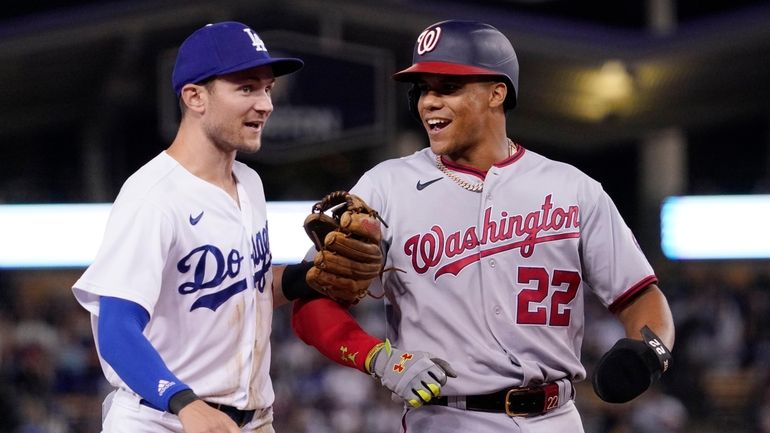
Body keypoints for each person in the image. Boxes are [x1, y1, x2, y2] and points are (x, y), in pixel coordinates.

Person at [291, 19, 675, 432]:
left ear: (497, 92)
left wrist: (649, 352)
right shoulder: (386, 186)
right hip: (446, 418)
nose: (428, 102)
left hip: (558, 418)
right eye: (422, 89)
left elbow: (640, 296)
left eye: (448, 87)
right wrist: (379, 357)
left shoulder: (573, 189)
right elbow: (311, 301)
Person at [71, 21, 324, 433]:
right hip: (162, 418)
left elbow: (244, 290)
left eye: (267, 89)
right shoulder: (153, 196)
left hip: (251, 419)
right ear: (195, 97)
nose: (265, 104)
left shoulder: (250, 183)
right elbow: (117, 327)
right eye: (246, 88)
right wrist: (183, 402)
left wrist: (304, 278)